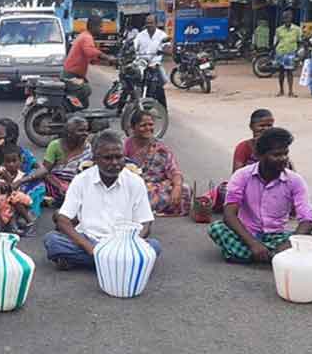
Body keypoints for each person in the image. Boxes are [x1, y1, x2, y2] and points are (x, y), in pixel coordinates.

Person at [44, 129, 160, 270]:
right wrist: (91, 249)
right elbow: (63, 220)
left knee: (154, 246)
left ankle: (89, 261)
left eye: (119, 157)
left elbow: (146, 222)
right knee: (52, 240)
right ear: (94, 159)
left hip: (123, 244)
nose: (115, 163)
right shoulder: (81, 180)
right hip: (89, 242)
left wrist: (130, 245)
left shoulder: (135, 182)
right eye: (108, 158)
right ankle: (117, 264)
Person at [208, 128, 312, 263]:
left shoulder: (295, 180)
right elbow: (229, 214)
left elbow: (308, 218)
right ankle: (274, 257)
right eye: (276, 155)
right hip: (246, 234)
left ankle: (247, 255)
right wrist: (253, 243)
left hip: (276, 237)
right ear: (260, 155)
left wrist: (289, 243)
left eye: (285, 154)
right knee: (216, 228)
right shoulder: (242, 176)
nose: (283, 159)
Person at [124, 110, 190, 216]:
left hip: (157, 186)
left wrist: (177, 187)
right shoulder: (125, 146)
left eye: (150, 124)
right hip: (134, 187)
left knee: (185, 189)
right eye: (143, 125)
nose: (148, 128)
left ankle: (143, 208)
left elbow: (174, 170)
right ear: (133, 128)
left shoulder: (160, 147)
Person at [25, 116, 92, 205]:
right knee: (35, 184)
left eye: (86, 130)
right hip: (55, 182)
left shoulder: (88, 148)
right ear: (69, 133)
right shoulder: (55, 145)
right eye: (80, 131)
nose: (85, 133)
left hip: (76, 183)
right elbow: (45, 171)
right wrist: (60, 185)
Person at [0, 143, 36, 235]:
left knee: (15, 199)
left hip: (17, 209)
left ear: (20, 161)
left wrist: (8, 180)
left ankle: (28, 222)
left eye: (14, 161)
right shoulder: (0, 174)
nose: (11, 164)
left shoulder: (22, 176)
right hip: (1, 206)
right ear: (3, 162)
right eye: (8, 162)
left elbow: (17, 192)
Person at [62, 14, 116, 96]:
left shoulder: (85, 35)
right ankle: (67, 106)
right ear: (93, 26)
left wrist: (109, 63)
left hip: (75, 75)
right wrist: (109, 58)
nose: (102, 29)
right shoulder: (87, 37)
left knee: (84, 97)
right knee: (86, 90)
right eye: (100, 26)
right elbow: (91, 52)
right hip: (71, 76)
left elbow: (92, 60)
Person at [133, 14, 170, 109]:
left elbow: (167, 48)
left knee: (159, 88)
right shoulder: (140, 35)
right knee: (132, 84)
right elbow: (134, 46)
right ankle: (123, 108)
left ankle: (163, 110)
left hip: (154, 65)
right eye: (147, 23)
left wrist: (165, 50)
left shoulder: (162, 35)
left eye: (151, 23)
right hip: (141, 64)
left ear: (156, 24)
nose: (149, 25)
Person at [275, 10, 302, 98]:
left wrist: (299, 54)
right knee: (281, 72)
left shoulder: (297, 29)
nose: (287, 19)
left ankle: (290, 91)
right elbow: (276, 42)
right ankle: (281, 90)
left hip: (291, 53)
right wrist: (273, 52)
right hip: (280, 52)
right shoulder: (279, 30)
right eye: (285, 17)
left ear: (291, 18)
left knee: (290, 72)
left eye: (288, 17)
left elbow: (300, 42)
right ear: (283, 19)